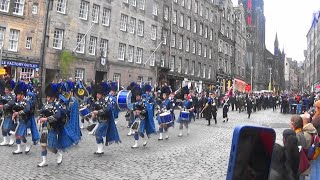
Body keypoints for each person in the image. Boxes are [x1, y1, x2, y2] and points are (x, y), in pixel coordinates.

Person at [89, 82, 121, 154]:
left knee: (97, 133)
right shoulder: (96, 101)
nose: (97, 95)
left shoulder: (107, 101)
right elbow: (93, 108)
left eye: (99, 94)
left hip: (105, 120)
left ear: (102, 94)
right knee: (97, 134)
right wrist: (93, 114)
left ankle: (100, 149)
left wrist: (98, 112)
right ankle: (100, 148)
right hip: (99, 120)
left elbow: (107, 109)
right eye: (97, 94)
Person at [11, 81, 34, 155]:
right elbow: (14, 108)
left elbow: (27, 110)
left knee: (20, 135)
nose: (16, 96)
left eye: (17, 95)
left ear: (22, 94)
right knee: (17, 134)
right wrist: (14, 114)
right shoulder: (18, 101)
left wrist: (18, 113)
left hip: (26, 120)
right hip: (19, 120)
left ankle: (27, 144)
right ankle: (19, 149)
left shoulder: (27, 101)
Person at [0, 79, 16, 146]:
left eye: (7, 90)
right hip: (4, 114)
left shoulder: (13, 96)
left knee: (8, 127)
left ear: (10, 90)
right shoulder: (4, 96)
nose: (5, 91)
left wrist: (3, 106)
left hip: (10, 114)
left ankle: (12, 139)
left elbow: (11, 104)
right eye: (5, 90)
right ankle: (5, 140)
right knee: (3, 127)